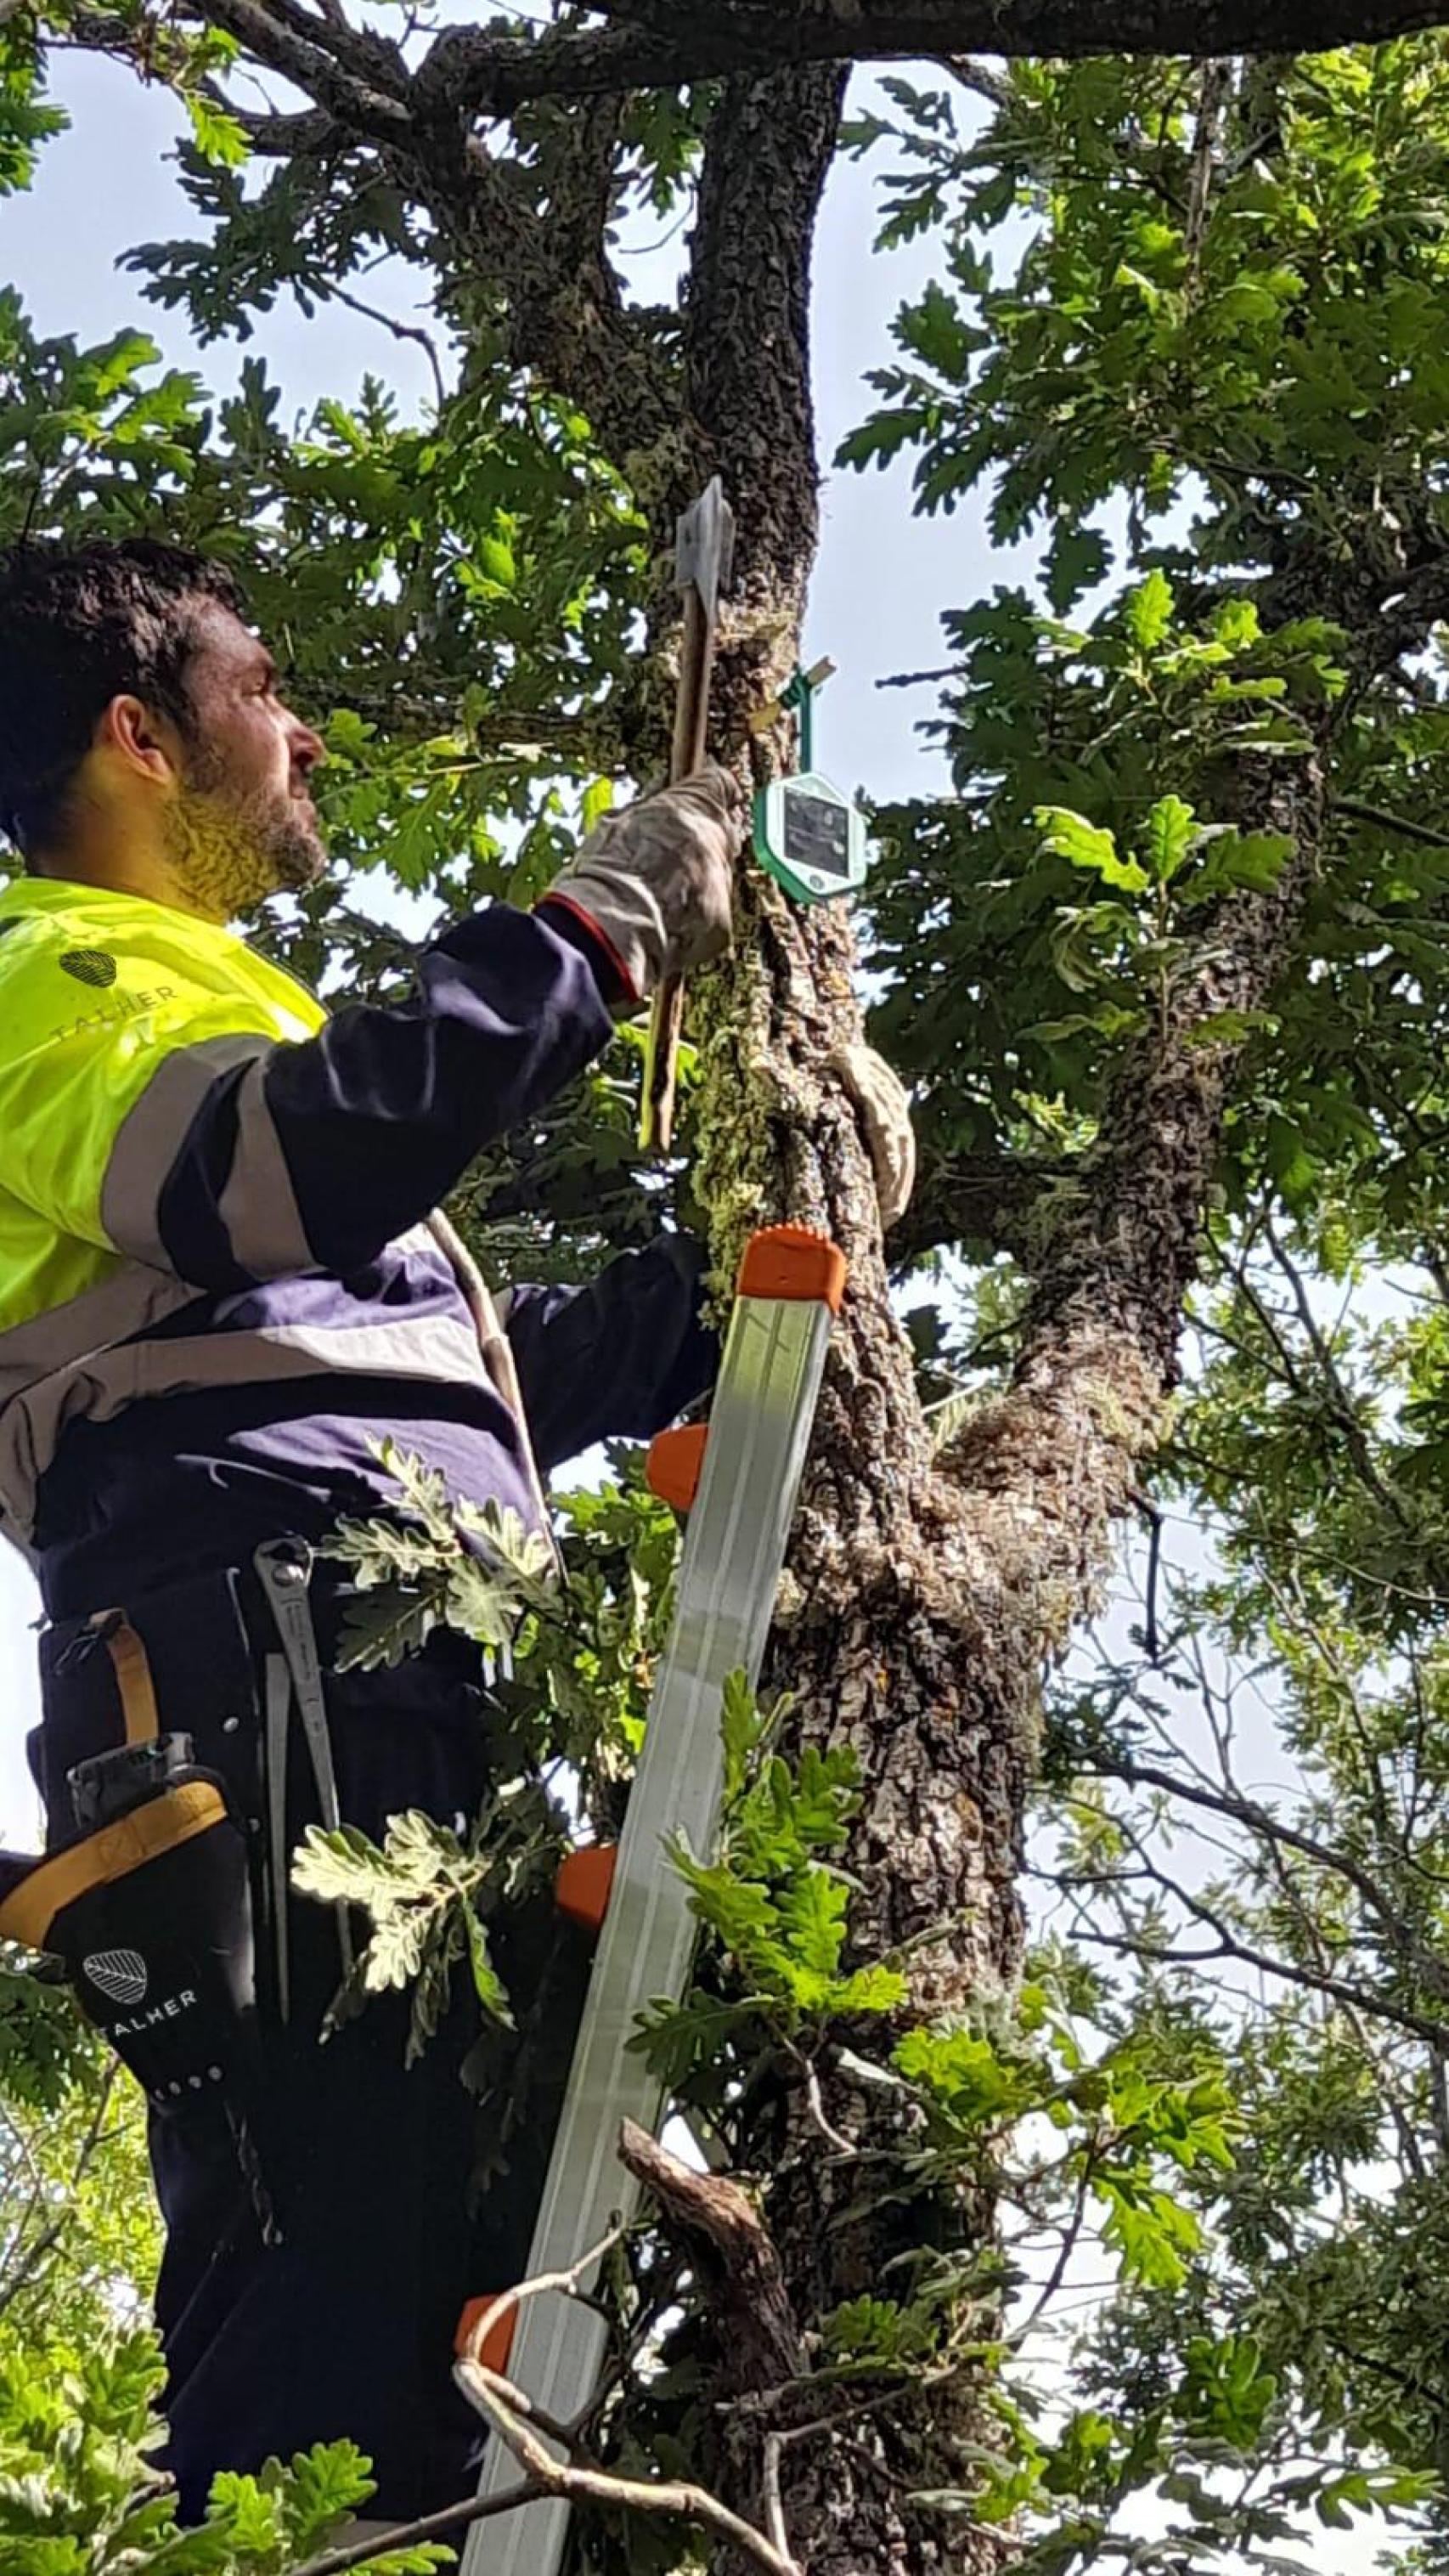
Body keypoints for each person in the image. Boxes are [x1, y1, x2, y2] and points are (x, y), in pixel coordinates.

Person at [0, 537, 911, 2527]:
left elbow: (411, 1398)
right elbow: (275, 1167)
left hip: (364, 1646)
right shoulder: (54, 974)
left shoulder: (206, 999)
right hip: (265, 1668)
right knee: (330, 2335)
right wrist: (591, 933)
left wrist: (713, 1308)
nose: (302, 725)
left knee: (478, 2290)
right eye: (261, 688)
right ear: (138, 738)